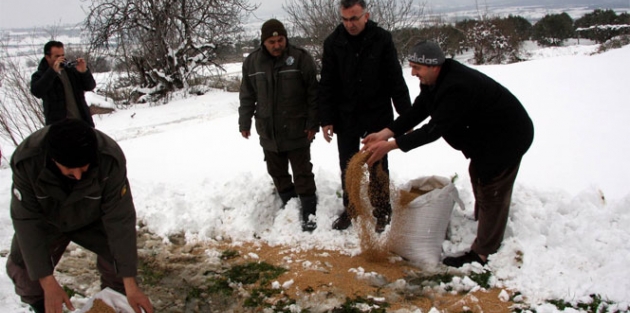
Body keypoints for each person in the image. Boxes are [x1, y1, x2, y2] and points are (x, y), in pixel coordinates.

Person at [362, 41, 534, 267]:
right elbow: (418, 111)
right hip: (485, 137)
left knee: (493, 186)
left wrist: (391, 145)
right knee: (479, 174)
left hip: (507, 137)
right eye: (411, 66)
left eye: (417, 68)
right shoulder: (434, 81)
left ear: (434, 66)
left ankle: (483, 251)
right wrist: (385, 133)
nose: (413, 73)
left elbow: (433, 130)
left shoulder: (457, 87)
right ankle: (484, 222)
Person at [6, 119, 153, 313]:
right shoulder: (27, 160)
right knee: (23, 270)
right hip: (47, 220)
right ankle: (44, 306)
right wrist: (47, 282)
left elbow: (120, 220)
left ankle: (116, 301)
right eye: (69, 170)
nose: (77, 176)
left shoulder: (109, 159)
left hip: (92, 216)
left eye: (84, 168)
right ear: (53, 159)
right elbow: (27, 221)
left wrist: (130, 283)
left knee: (117, 265)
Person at [318, 0, 411, 232]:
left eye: (355, 18)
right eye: (345, 19)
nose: (350, 24)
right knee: (348, 165)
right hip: (346, 115)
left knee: (377, 163)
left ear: (366, 16)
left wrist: (406, 116)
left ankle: (381, 211)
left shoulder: (382, 39)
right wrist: (326, 118)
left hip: (376, 114)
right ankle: (351, 209)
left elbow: (395, 79)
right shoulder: (333, 43)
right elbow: (327, 83)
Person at [239, 19, 319, 232]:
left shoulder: (300, 58)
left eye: (280, 40)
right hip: (268, 130)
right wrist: (244, 121)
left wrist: (313, 122)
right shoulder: (252, 63)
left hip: (297, 128)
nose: (277, 45)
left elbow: (314, 93)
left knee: (302, 171)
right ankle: (289, 203)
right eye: (271, 41)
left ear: (286, 38)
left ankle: (309, 211)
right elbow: (247, 95)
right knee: (276, 171)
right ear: (263, 42)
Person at [31, 40, 96, 127]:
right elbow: (37, 91)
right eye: (57, 56)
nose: (61, 59)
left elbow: (90, 86)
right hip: (58, 127)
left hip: (82, 122)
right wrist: (52, 72)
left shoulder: (71, 70)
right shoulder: (41, 75)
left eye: (62, 55)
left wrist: (84, 72)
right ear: (47, 57)